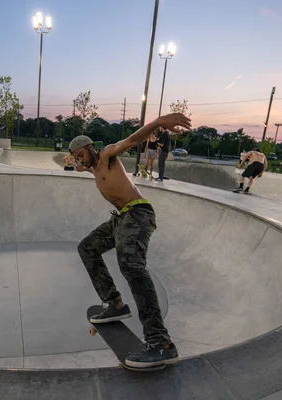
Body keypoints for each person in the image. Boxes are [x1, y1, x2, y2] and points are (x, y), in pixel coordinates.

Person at [62, 113, 192, 369]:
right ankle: (115, 304)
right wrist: (71, 161)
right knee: (87, 248)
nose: (81, 160)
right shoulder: (89, 167)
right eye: (77, 157)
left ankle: (161, 343)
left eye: (82, 154)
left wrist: (157, 123)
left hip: (139, 212)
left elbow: (132, 140)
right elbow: (77, 166)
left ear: (90, 148)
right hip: (121, 218)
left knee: (130, 264)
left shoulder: (108, 155)